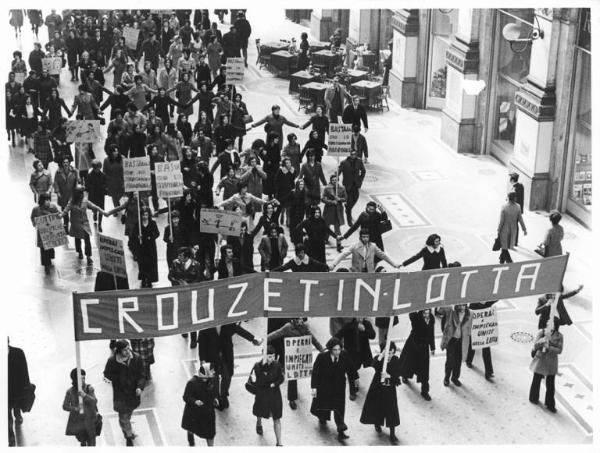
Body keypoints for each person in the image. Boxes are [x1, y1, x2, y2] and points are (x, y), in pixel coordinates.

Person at [197, 323, 262, 410]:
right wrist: (202, 360)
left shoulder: (228, 323)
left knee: (227, 376)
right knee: (213, 379)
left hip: (226, 356)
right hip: (211, 357)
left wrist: (253, 339)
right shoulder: (205, 326)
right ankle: (215, 397)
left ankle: (224, 395)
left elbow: (239, 330)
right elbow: (201, 344)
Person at [266, 318, 324, 410]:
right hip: (290, 355)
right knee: (292, 377)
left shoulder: (304, 327)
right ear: (294, 320)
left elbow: (313, 339)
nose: (300, 321)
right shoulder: (288, 327)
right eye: (298, 319)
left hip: (299, 355)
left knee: (295, 376)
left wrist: (321, 349)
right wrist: (264, 340)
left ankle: (292, 393)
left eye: (301, 319)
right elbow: (276, 334)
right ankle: (292, 399)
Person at [310, 337, 358, 442]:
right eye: (335, 350)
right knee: (324, 405)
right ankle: (322, 417)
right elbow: (315, 373)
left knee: (339, 408)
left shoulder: (344, 355)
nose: (337, 352)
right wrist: (314, 388)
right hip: (324, 387)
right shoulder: (322, 357)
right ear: (330, 350)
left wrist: (353, 388)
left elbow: (351, 371)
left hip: (339, 387)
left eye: (339, 349)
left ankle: (341, 430)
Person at [103, 340, 147, 446]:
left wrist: (139, 387)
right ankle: (128, 435)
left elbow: (142, 375)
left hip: (133, 392)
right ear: (119, 351)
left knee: (129, 412)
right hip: (120, 393)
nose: (128, 351)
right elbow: (107, 374)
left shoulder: (136, 358)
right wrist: (120, 377)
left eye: (128, 348)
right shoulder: (112, 361)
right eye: (125, 349)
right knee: (123, 416)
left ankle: (127, 428)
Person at [360, 342, 402, 443]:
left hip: (389, 390)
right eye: (388, 353)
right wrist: (381, 355)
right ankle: (377, 423)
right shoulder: (379, 359)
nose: (389, 356)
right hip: (377, 388)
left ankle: (392, 434)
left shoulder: (396, 361)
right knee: (377, 407)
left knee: (391, 411)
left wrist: (389, 376)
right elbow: (373, 365)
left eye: (392, 353)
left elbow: (398, 380)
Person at [62, 185, 107, 265]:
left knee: (87, 240)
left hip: (84, 224)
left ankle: (88, 256)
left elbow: (94, 206)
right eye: (80, 193)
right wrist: (60, 215)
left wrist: (102, 211)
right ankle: (79, 252)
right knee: (77, 239)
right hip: (76, 225)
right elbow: (66, 210)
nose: (82, 195)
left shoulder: (85, 201)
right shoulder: (71, 202)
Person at [334, 318, 376, 400]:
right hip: (351, 355)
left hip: (363, 353)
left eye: (362, 316)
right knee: (351, 373)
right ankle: (352, 391)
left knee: (359, 370)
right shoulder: (349, 325)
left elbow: (373, 336)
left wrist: (364, 330)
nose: (360, 318)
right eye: (358, 316)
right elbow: (338, 335)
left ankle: (357, 383)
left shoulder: (367, 324)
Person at [398, 309, 436, 400]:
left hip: (424, 346)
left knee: (424, 370)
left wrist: (432, 346)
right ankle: (405, 376)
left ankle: (425, 391)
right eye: (425, 311)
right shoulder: (415, 316)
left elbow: (431, 333)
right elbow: (411, 312)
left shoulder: (431, 318)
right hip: (413, 344)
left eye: (429, 310)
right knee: (409, 363)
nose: (427, 313)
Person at [250, 345, 284, 446]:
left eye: (273, 356)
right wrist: (269, 378)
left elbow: (281, 378)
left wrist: (275, 383)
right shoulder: (257, 366)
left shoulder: (277, 364)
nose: (272, 359)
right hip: (263, 395)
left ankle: (279, 443)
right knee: (260, 412)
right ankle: (259, 422)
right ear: (264, 356)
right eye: (269, 356)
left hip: (274, 395)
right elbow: (259, 382)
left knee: (277, 418)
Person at [529, 317, 563, 413]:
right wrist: (542, 341)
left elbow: (559, 350)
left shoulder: (560, 336)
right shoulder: (542, 332)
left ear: (554, 325)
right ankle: (533, 398)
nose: (548, 323)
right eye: (548, 322)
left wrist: (549, 348)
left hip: (551, 362)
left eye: (550, 322)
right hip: (541, 360)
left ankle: (550, 404)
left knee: (550, 384)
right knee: (536, 380)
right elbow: (535, 345)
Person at [182, 362, 220, 447]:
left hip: (208, 411)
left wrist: (215, 399)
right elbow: (186, 397)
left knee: (210, 433)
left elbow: (214, 391)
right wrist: (195, 401)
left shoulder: (213, 380)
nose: (213, 373)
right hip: (194, 412)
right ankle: (190, 438)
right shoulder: (192, 383)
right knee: (191, 427)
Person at [331, 227, 399, 272]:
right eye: (363, 237)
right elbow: (343, 255)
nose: (365, 239)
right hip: (356, 272)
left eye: (367, 237)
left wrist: (394, 264)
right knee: (341, 271)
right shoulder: (354, 246)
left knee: (382, 271)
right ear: (360, 237)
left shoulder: (373, 246)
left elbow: (383, 256)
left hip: (369, 272)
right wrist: (333, 264)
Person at [63, 368, 99, 446]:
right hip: (78, 421)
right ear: (74, 379)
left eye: (84, 378)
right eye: (80, 378)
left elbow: (94, 402)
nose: (83, 380)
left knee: (92, 440)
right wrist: (75, 408)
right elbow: (65, 406)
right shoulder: (70, 391)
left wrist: (85, 395)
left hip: (90, 420)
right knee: (81, 438)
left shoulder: (89, 388)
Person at [439, 304, 472, 387]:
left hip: (460, 340)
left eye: (463, 305)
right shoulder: (451, 311)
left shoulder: (468, 313)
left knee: (458, 361)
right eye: (460, 305)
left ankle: (455, 378)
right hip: (451, 340)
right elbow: (440, 310)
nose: (462, 307)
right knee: (450, 361)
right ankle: (446, 378)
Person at [466, 301, 497, 381]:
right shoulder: (473, 303)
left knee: (486, 349)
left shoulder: (488, 301)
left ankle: (488, 372)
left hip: (485, 328)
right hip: (475, 325)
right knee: (472, 345)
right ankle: (469, 360)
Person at [8, 340, 31, 447]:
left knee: (16, 406)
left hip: (17, 390)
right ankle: (11, 441)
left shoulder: (17, 352)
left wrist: (26, 387)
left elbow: (24, 370)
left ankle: (18, 414)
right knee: (7, 416)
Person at [132, 206, 160, 288]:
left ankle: (150, 280)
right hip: (142, 248)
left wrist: (151, 237)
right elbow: (134, 235)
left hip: (150, 248)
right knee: (142, 264)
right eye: (143, 215)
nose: (145, 217)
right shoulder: (138, 224)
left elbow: (157, 233)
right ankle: (144, 279)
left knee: (151, 264)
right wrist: (138, 237)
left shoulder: (153, 223)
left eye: (146, 215)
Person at [497, 192, 527, 263]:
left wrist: (499, 229)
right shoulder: (518, 207)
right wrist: (524, 229)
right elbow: (520, 219)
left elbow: (501, 221)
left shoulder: (504, 207)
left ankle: (509, 261)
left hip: (504, 229)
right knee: (506, 246)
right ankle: (501, 260)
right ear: (515, 198)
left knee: (504, 246)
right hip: (513, 229)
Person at [338, 148, 366, 224]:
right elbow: (339, 171)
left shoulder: (359, 161)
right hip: (347, 186)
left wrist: (360, 180)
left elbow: (363, 171)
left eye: (354, 154)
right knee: (349, 202)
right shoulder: (344, 163)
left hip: (356, 185)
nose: (353, 155)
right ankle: (349, 221)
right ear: (349, 154)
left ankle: (347, 209)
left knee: (355, 198)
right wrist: (336, 176)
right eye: (351, 154)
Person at [54, 157, 80, 232]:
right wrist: (58, 192)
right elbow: (55, 183)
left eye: (67, 162)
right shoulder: (58, 172)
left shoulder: (75, 171)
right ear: (62, 164)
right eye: (64, 162)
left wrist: (78, 181)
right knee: (64, 212)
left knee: (73, 211)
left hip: (72, 195)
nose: (65, 164)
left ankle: (73, 227)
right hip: (63, 195)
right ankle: (66, 226)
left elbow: (78, 182)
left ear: (69, 163)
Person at [85, 160, 107, 232]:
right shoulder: (89, 176)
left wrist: (104, 188)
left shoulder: (103, 175)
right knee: (94, 208)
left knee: (101, 210)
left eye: (99, 168)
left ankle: (100, 225)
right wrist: (91, 188)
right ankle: (94, 213)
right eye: (97, 168)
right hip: (93, 195)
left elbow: (106, 184)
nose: (98, 169)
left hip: (100, 195)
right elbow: (87, 186)